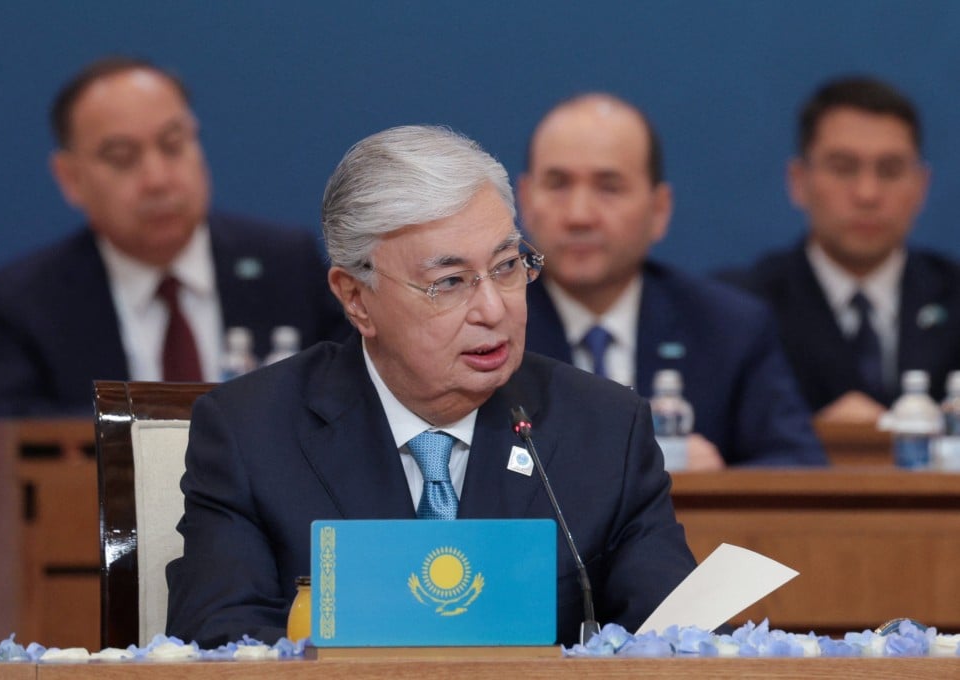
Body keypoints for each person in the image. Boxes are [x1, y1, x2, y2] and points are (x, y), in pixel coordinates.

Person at [165, 125, 697, 647]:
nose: (493, 309)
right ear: (355, 298)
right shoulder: (251, 433)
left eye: (507, 266)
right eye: (448, 283)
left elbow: (677, 639)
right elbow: (221, 640)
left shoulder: (603, 429)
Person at [0, 56, 346, 420]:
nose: (158, 179)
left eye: (172, 144)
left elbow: (351, 406)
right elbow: (12, 452)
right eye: (122, 157)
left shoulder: (288, 265)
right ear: (70, 179)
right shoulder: (25, 303)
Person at [519, 93, 825, 469]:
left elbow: (798, 465)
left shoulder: (728, 328)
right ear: (526, 200)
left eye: (608, 187)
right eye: (558, 184)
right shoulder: (487, 326)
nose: (579, 215)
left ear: (659, 211)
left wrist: (718, 479)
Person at [721, 76, 960, 422]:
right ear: (799, 181)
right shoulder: (741, 309)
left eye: (890, 170)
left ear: (921, 187)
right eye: (843, 168)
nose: (867, 194)